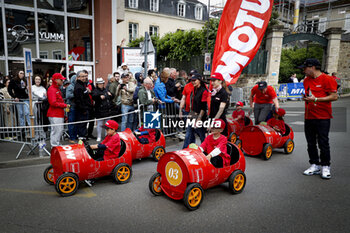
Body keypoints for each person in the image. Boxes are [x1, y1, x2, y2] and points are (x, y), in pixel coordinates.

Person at [299, 58, 338, 179]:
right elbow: (309, 95)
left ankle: (326, 166)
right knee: (311, 142)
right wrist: (306, 98)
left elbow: (334, 96)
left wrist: (316, 99)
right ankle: (314, 164)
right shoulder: (306, 80)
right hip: (309, 115)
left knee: (323, 142)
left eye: (305, 68)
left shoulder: (328, 79)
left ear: (312, 67)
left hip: (323, 116)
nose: (304, 70)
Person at [182, 73, 209, 149]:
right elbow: (193, 104)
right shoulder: (194, 89)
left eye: (195, 80)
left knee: (201, 135)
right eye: (192, 80)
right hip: (193, 114)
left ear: (199, 80)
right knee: (188, 134)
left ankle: (205, 151)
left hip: (200, 116)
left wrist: (199, 119)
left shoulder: (204, 91)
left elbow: (203, 107)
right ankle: (185, 150)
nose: (193, 82)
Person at [47, 73, 68, 147]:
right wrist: (64, 105)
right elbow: (53, 103)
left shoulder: (56, 89)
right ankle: (55, 146)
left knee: (59, 130)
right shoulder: (52, 89)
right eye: (61, 80)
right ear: (56, 80)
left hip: (58, 114)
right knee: (56, 131)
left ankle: (56, 145)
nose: (63, 81)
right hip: (55, 114)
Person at [92, 77, 114, 142]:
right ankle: (99, 136)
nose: (101, 85)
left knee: (107, 124)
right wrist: (99, 96)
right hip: (99, 110)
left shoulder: (106, 90)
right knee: (100, 124)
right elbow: (94, 96)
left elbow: (112, 96)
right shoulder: (95, 90)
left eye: (102, 83)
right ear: (97, 84)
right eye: (100, 84)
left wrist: (111, 95)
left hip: (107, 109)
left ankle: (107, 136)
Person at [74, 70, 92, 138]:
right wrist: (84, 110)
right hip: (82, 111)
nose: (84, 78)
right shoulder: (78, 87)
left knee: (84, 126)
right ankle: (81, 143)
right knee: (81, 127)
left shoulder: (82, 85)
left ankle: (83, 141)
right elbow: (78, 100)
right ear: (78, 77)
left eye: (85, 76)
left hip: (85, 110)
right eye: (82, 76)